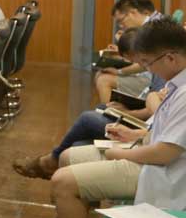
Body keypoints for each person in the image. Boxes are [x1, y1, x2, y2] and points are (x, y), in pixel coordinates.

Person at [33, 20, 186, 218]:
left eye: (148, 63)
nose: (148, 69)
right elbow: (172, 134)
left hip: (165, 175)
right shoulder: (185, 79)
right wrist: (135, 136)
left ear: (170, 57)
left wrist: (122, 154)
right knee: (66, 157)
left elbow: (167, 153)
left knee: (62, 181)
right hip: (153, 160)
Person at [14, 28, 165, 180]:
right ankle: (59, 162)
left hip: (145, 128)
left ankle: (51, 162)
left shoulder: (166, 74)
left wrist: (128, 112)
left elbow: (155, 112)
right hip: (147, 122)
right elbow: (154, 106)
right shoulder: (160, 67)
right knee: (97, 116)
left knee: (87, 119)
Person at [96, 0, 160, 103]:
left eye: (121, 21)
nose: (121, 26)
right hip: (145, 75)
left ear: (133, 13)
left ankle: (108, 110)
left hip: (149, 79)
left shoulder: (150, 29)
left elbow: (143, 64)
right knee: (101, 74)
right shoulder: (144, 27)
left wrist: (119, 72)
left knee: (103, 80)